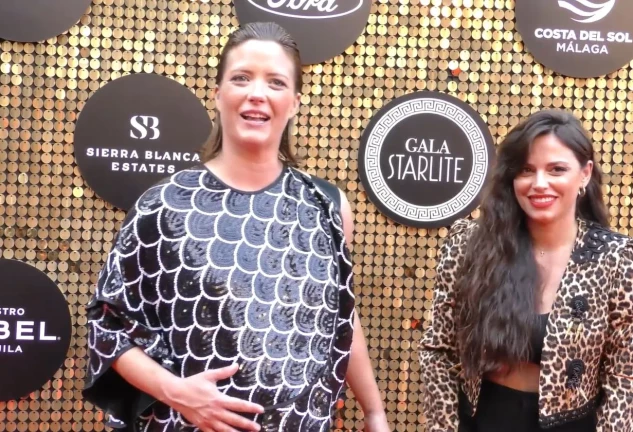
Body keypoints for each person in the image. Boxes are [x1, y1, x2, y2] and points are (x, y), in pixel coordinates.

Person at [83, 22, 389, 432]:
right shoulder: (163, 206)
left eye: (275, 82)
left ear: (295, 102)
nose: (256, 93)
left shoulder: (326, 206)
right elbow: (108, 327)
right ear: (219, 93)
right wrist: (175, 391)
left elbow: (343, 321)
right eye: (241, 78)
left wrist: (374, 411)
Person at [419, 110, 633, 432]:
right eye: (526, 170)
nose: (539, 184)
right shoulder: (469, 246)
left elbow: (623, 376)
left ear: (585, 174)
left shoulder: (617, 258)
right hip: (482, 420)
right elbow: (439, 351)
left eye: (557, 169)